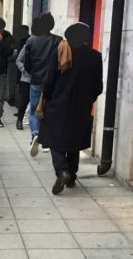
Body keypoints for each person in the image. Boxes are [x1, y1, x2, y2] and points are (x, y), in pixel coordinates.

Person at [38, 22, 103, 195]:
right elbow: (98, 87)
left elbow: (49, 79)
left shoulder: (60, 52)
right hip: (82, 106)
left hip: (58, 104)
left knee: (54, 137)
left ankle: (62, 171)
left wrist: (46, 97)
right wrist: (88, 99)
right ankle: (72, 175)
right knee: (74, 141)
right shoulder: (96, 57)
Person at [24, 12, 62, 155]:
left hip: (36, 80)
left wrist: (33, 73)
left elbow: (27, 63)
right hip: (53, 82)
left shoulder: (31, 41)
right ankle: (46, 141)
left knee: (34, 110)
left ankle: (35, 134)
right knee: (49, 110)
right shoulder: (58, 40)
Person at [12, 25, 30, 130]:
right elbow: (18, 59)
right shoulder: (26, 43)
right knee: (24, 99)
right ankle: (19, 119)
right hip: (25, 77)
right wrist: (23, 69)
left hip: (38, 78)